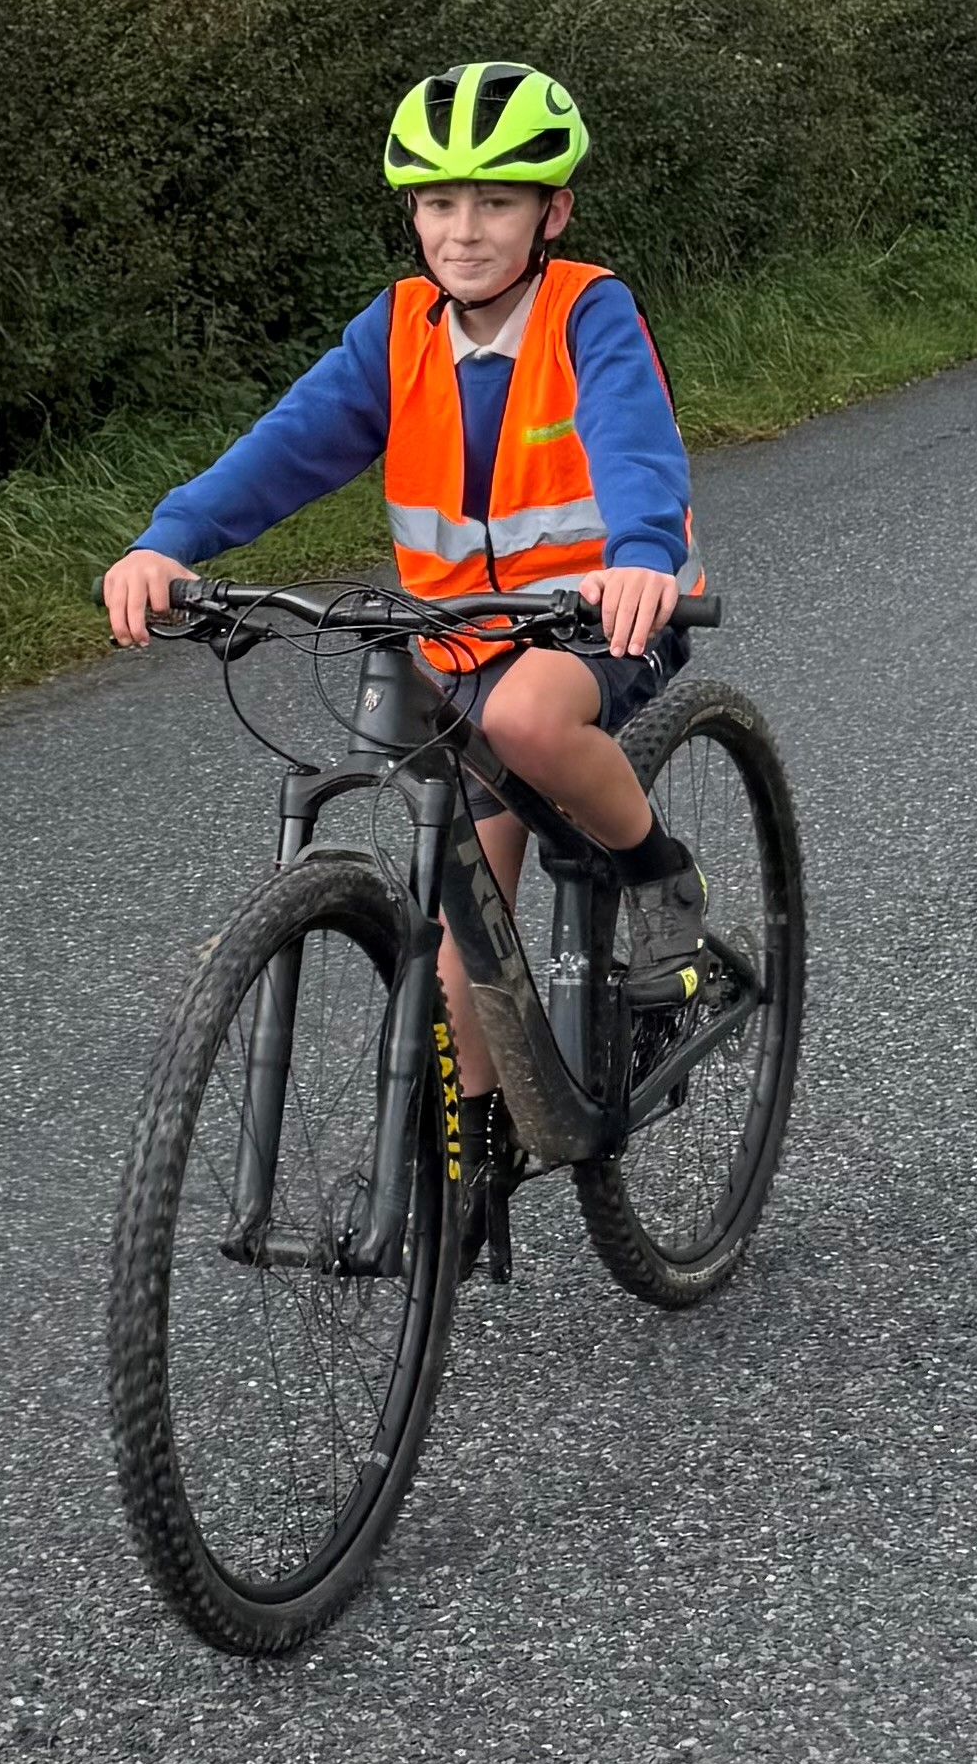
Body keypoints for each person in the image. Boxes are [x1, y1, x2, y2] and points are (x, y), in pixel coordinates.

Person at [98, 61, 708, 1272]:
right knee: (456, 923)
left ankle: (660, 885)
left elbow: (634, 443)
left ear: (554, 214)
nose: (463, 228)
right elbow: (287, 446)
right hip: (452, 640)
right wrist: (170, 538)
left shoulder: (588, 312)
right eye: (437, 204)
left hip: (597, 619)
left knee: (531, 720)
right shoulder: (398, 329)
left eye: (494, 201)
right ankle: (473, 1140)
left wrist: (640, 556)